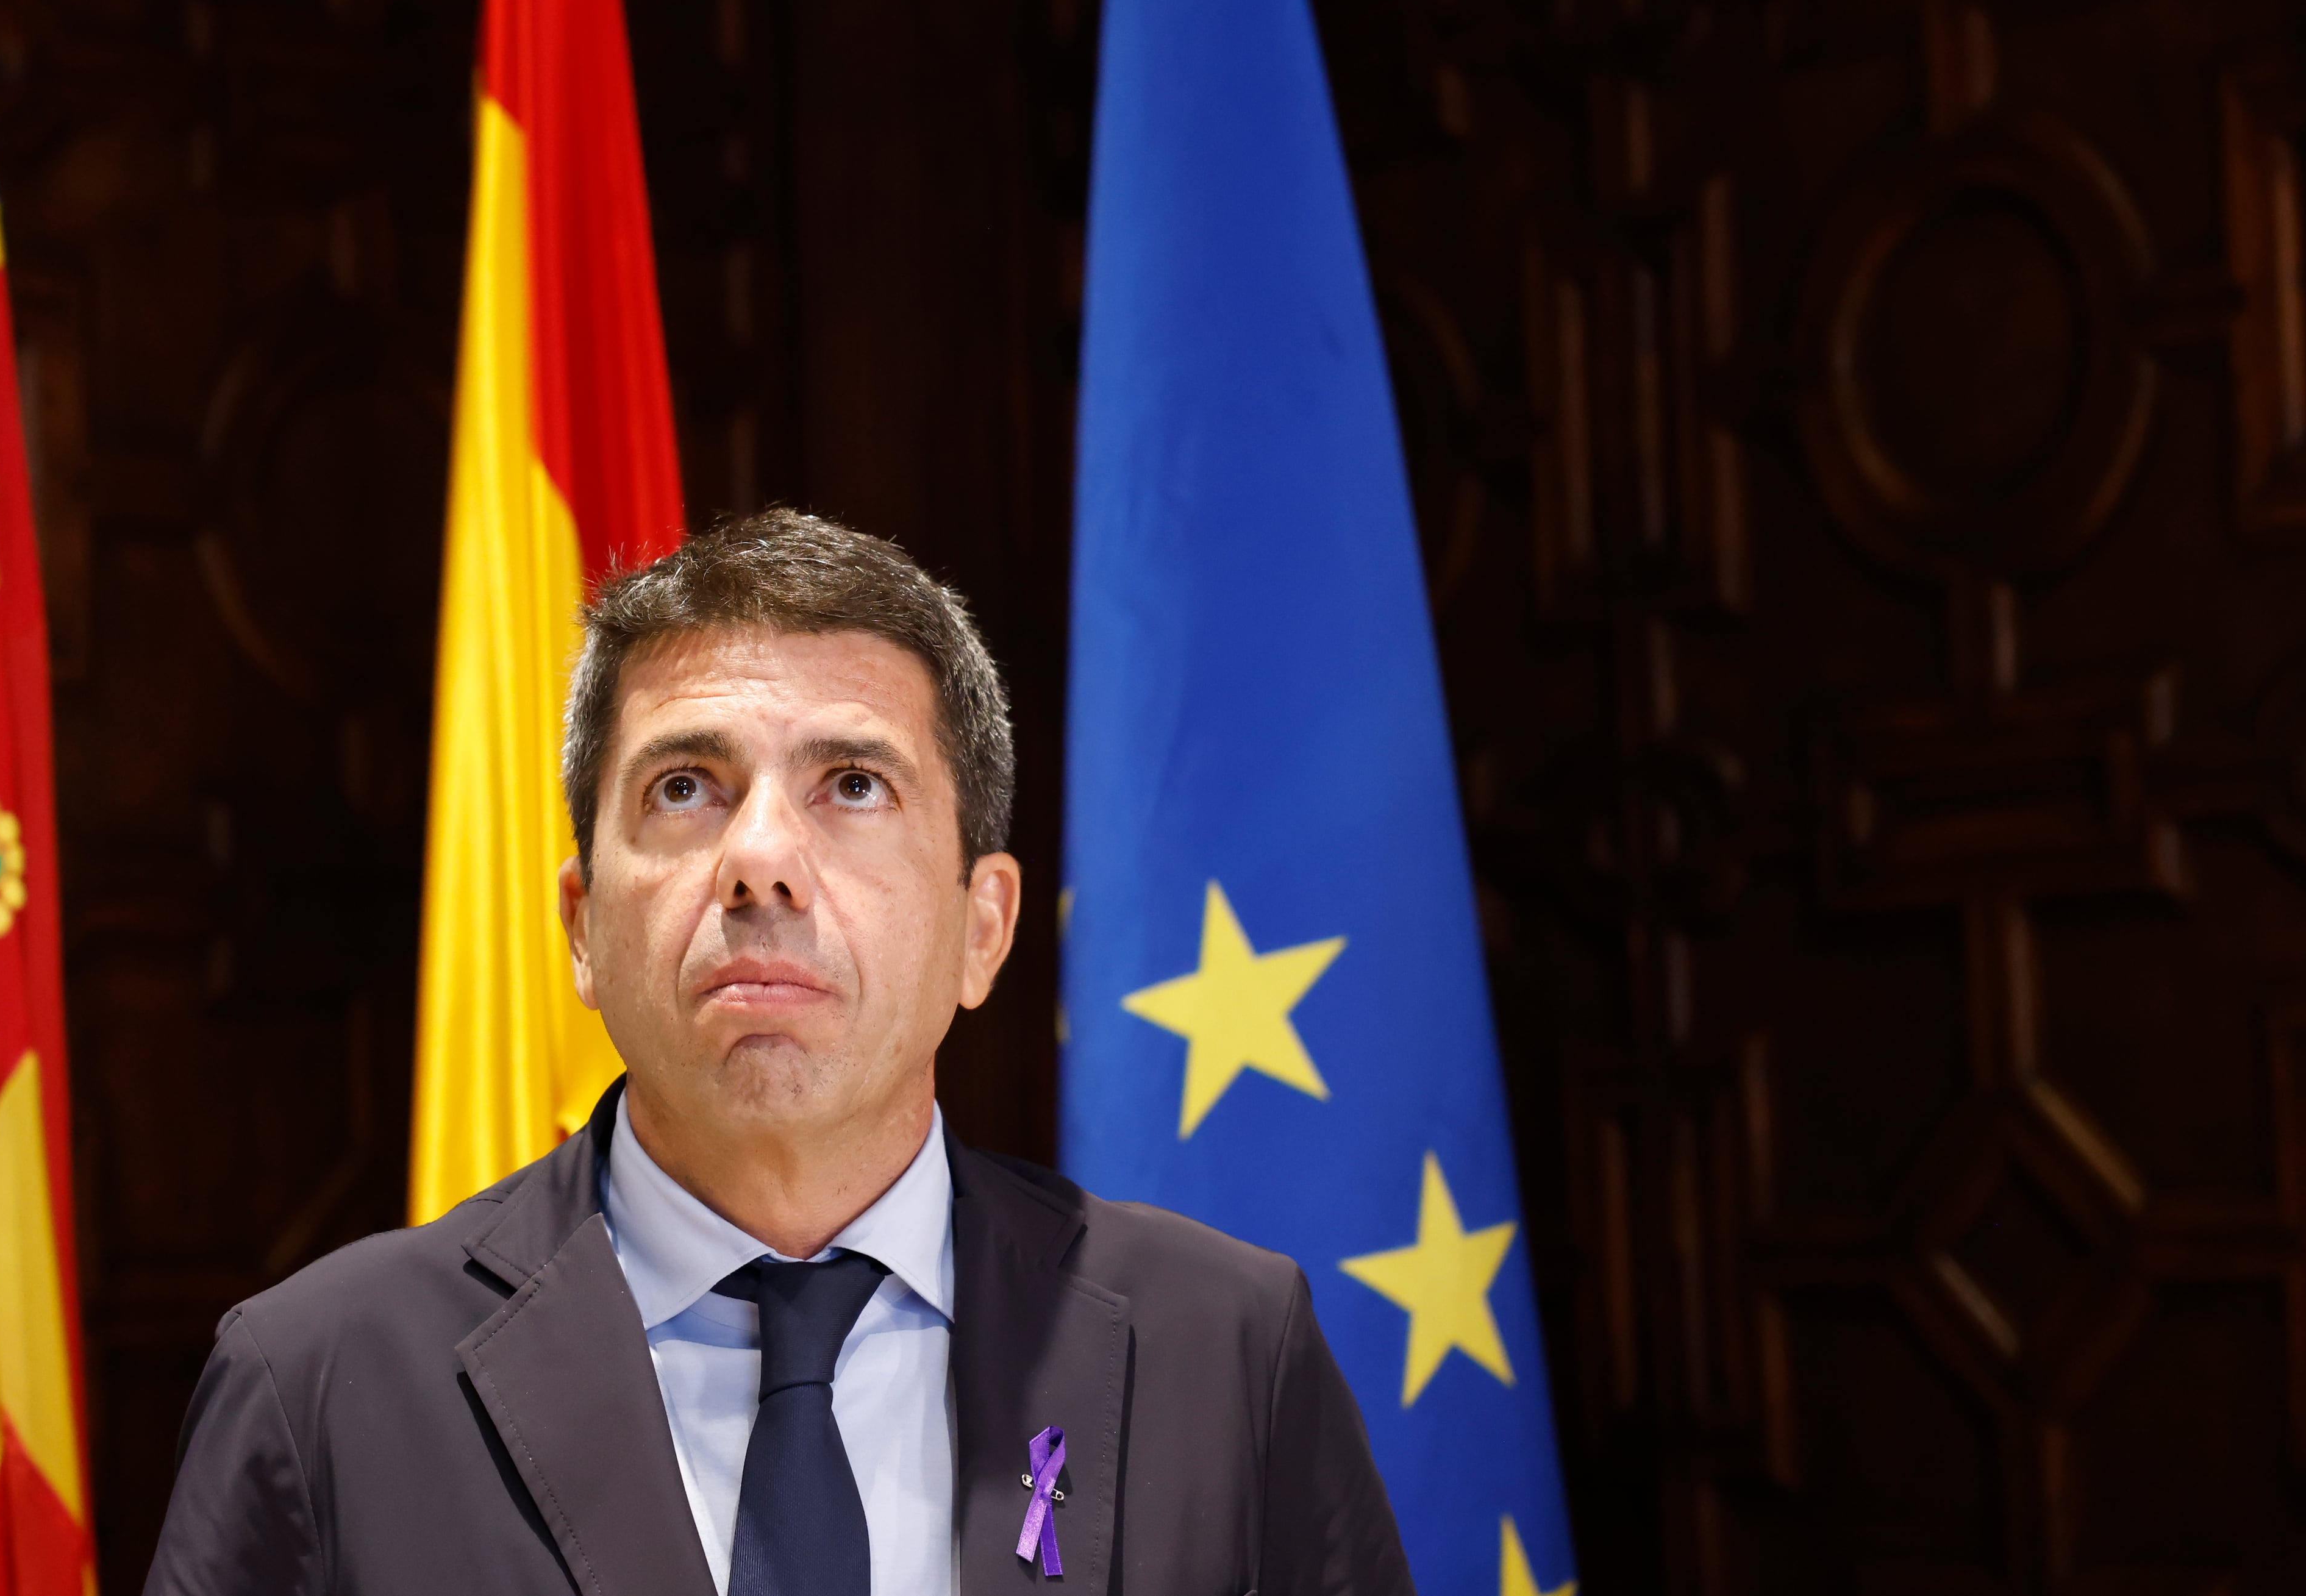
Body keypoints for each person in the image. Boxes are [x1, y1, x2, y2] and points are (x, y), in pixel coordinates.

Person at [142, 508, 1413, 1596]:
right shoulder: (319, 1387)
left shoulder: (1228, 1353)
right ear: (583, 929)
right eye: (685, 787)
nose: (758, 858)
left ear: (985, 929)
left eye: (852, 784)